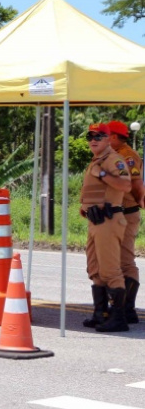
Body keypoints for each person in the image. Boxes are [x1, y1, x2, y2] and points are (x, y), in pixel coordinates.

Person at [79, 123, 132, 332]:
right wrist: (84, 207)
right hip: (95, 220)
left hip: (109, 220)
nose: (93, 140)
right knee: (95, 269)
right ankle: (100, 313)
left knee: (110, 270)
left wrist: (101, 174)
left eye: (99, 136)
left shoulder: (113, 160)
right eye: (90, 136)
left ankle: (118, 318)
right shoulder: (96, 160)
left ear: (109, 139)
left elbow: (125, 186)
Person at [107, 120, 144, 324]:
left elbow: (137, 184)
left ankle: (126, 309)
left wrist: (139, 201)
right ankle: (121, 307)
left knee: (125, 261)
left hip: (127, 213)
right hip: (116, 214)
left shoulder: (128, 155)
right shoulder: (112, 154)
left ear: (113, 136)